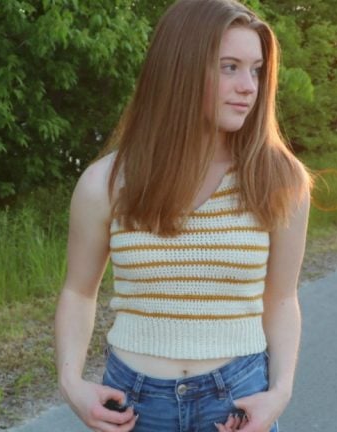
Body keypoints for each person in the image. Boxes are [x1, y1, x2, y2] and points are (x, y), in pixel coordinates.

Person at [54, 0, 311, 431]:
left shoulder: (280, 179)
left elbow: (282, 298)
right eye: (229, 67)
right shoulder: (106, 182)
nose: (248, 86)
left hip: (237, 402)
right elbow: (79, 292)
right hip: (133, 407)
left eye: (256, 70)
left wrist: (280, 392)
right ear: (180, 70)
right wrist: (70, 382)